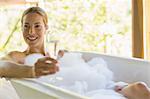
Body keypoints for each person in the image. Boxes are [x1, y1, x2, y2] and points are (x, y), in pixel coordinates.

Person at [2, 6, 150, 99]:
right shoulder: (20, 56)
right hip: (75, 95)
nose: (31, 31)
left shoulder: (60, 55)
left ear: (46, 28)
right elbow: (2, 66)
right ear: (21, 28)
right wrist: (32, 70)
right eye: (26, 26)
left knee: (140, 88)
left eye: (37, 26)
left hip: (102, 88)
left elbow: (91, 75)